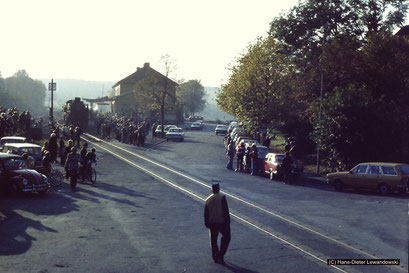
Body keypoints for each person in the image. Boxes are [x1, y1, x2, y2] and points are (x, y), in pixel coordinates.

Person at [204, 181, 231, 265]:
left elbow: (206, 213)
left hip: (212, 223)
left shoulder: (208, 200)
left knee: (213, 240)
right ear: (219, 189)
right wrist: (228, 221)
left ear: (212, 190)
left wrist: (207, 223)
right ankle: (221, 254)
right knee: (227, 237)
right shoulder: (222, 197)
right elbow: (225, 210)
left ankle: (215, 256)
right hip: (222, 222)